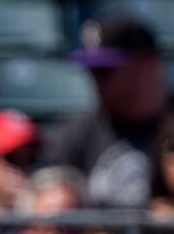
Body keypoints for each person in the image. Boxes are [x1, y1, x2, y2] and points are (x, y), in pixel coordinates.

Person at [44, 15, 169, 208]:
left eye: (105, 70)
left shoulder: (170, 124)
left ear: (147, 63)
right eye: (92, 70)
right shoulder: (77, 133)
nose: (95, 80)